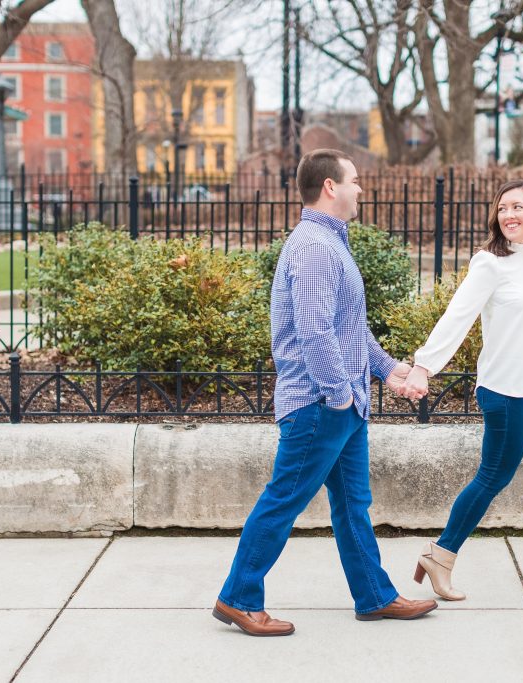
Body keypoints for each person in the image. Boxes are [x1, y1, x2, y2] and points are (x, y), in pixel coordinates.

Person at [213, 149, 438, 637]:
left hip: (343, 405)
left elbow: (347, 328)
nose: (361, 189)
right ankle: (238, 597)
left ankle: (374, 596)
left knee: (353, 504)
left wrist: (389, 369)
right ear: (331, 187)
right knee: (283, 501)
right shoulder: (315, 246)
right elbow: (315, 332)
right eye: (355, 181)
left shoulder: (331, 241)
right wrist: (338, 395)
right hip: (321, 406)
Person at [402, 180, 523, 600]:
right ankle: (439, 555)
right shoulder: (490, 263)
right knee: (494, 477)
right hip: (505, 388)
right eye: (503, 208)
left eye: (517, 207)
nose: (509, 215)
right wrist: (424, 365)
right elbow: (458, 315)